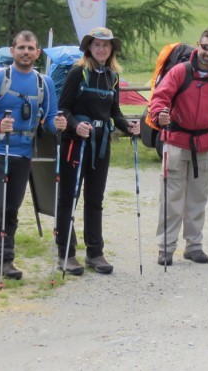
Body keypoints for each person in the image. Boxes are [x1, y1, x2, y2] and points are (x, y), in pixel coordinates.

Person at [0, 30, 66, 284]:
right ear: (12, 50)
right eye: (21, 48)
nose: (26, 52)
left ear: (38, 52)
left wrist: (57, 123)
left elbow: (48, 118)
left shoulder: (43, 82)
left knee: (12, 208)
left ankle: (6, 259)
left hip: (23, 152)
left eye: (31, 48)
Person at [149, 28, 208, 266]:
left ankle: (193, 246)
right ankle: (166, 247)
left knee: (198, 198)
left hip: (203, 145)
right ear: (197, 46)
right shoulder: (181, 71)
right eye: (205, 47)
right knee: (171, 196)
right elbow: (160, 97)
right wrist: (159, 113)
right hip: (176, 142)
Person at [56, 27, 140, 276]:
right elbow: (63, 109)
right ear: (89, 48)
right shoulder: (77, 72)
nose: (102, 49)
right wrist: (75, 126)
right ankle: (66, 253)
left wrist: (128, 126)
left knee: (95, 199)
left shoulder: (112, 77)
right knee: (68, 199)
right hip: (75, 144)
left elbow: (114, 112)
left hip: (101, 144)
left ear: (111, 49)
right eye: (97, 44)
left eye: (106, 45)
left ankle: (95, 253)